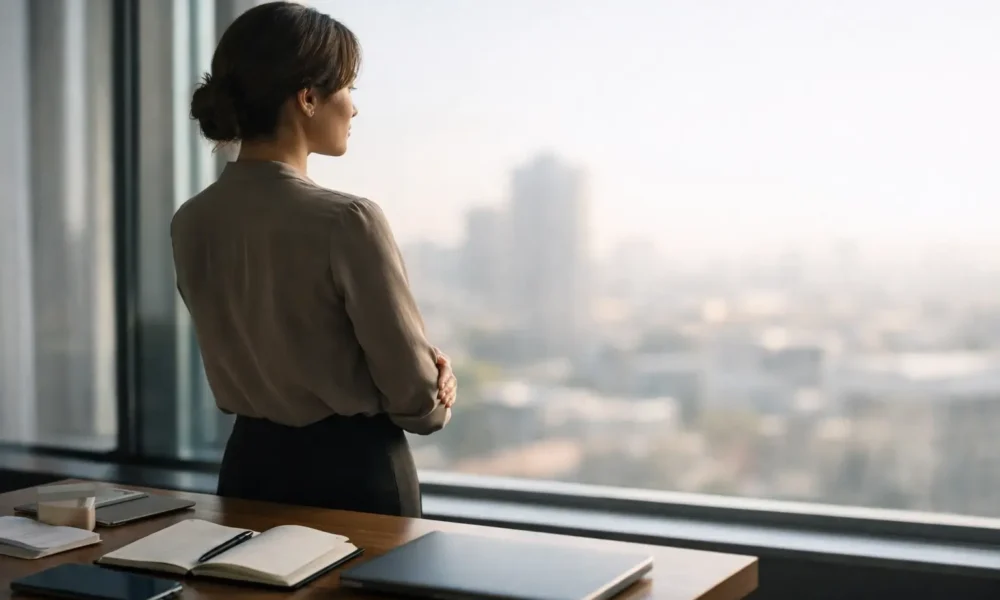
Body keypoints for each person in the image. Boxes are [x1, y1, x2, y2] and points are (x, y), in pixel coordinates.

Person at [171, 1, 456, 518]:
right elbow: (417, 403)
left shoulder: (191, 221)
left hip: (247, 471)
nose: (353, 107)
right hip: (355, 482)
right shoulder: (348, 220)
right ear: (308, 98)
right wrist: (437, 385)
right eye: (348, 88)